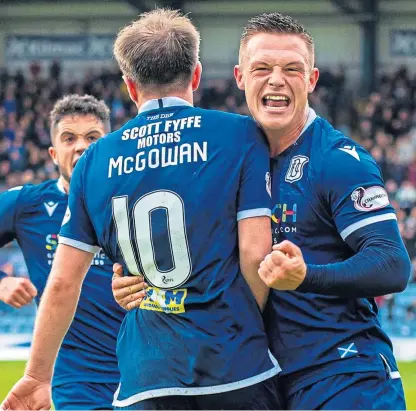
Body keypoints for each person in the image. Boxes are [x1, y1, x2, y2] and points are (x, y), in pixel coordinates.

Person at [1, 9, 281, 411]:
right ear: (196, 75)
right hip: (236, 365)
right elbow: (256, 255)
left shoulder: (96, 160)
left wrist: (37, 376)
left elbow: (63, 283)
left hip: (146, 374)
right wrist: (239, 322)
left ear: (130, 88)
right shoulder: (239, 134)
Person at [235, 12, 410, 410]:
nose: (276, 79)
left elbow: (392, 263)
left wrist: (306, 276)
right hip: (268, 383)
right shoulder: (233, 160)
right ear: (240, 77)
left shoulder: (338, 160)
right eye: (262, 67)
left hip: (345, 378)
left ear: (311, 80)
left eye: (292, 69)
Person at [0, 95, 131, 410]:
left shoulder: (139, 201)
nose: (81, 147)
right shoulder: (27, 205)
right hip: (74, 382)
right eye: (69, 138)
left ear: (110, 146)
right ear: (53, 153)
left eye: (92, 138)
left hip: (145, 371)